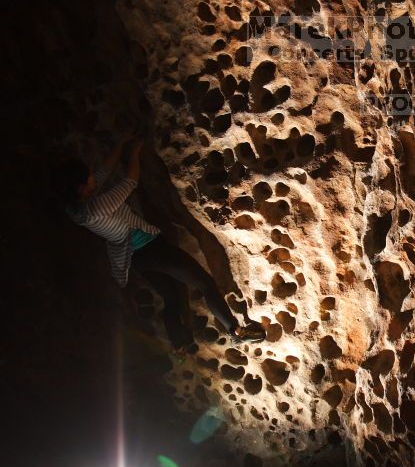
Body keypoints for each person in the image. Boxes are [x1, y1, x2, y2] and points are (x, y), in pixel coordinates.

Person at [52, 130, 265, 349]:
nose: (92, 177)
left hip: (135, 260)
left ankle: (179, 342)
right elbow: (130, 182)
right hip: (152, 249)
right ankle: (235, 331)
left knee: (171, 297)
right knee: (204, 282)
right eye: (87, 177)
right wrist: (134, 153)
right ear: (80, 187)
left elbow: (103, 170)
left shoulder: (74, 209)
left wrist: (122, 142)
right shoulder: (97, 207)